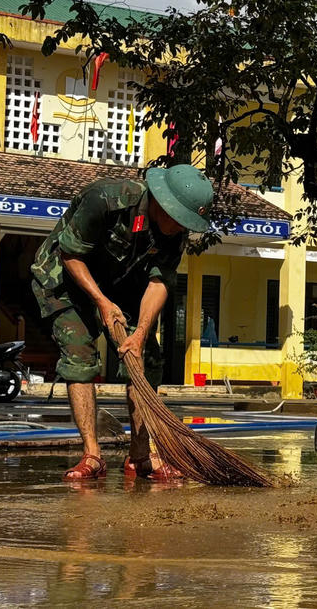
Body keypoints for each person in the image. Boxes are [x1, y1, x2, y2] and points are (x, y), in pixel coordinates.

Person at [31, 165, 214, 482]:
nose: (182, 226)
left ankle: (140, 457)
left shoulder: (176, 231)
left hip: (125, 283)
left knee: (145, 360)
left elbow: (159, 283)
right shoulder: (105, 199)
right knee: (80, 357)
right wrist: (101, 302)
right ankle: (92, 455)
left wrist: (141, 332)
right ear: (161, 201)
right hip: (66, 279)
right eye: (179, 217)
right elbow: (71, 254)